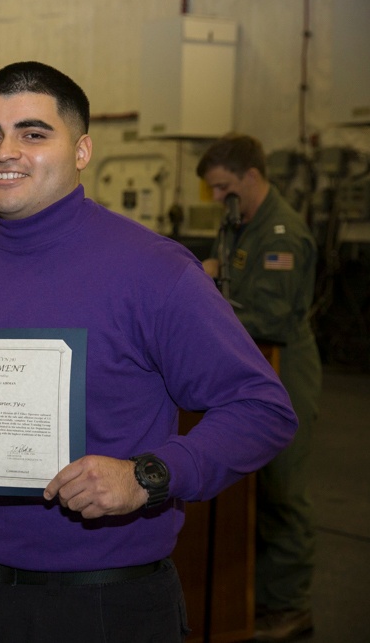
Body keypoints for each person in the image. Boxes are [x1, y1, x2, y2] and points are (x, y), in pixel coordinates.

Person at [0, 61, 298, 642]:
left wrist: (148, 475)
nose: (5, 151)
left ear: (82, 150)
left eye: (33, 133)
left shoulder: (154, 271)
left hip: (106, 604)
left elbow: (263, 408)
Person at [197, 134, 321, 643]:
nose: (220, 198)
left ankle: (292, 606)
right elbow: (224, 274)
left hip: (283, 369)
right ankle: (260, 596)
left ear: (251, 175)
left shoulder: (282, 234)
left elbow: (269, 315)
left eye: (224, 187)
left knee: (282, 493)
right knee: (252, 494)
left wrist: (207, 308)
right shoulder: (238, 224)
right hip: (248, 369)